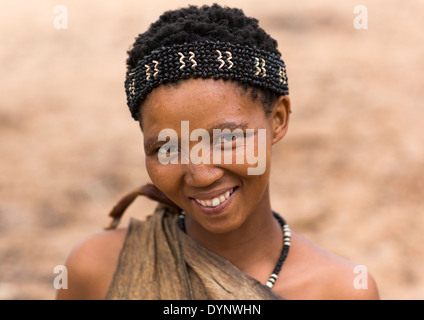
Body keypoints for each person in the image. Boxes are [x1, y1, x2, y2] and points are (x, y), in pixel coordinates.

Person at [56, 4, 379, 300]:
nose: (201, 174)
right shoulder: (97, 271)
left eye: (226, 139)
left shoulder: (340, 291)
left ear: (278, 120)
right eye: (167, 147)